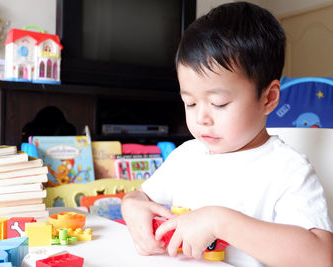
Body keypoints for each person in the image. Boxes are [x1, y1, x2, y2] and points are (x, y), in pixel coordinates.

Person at [121, 2, 333, 267]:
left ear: (269, 98)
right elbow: (141, 196)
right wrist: (131, 206)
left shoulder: (288, 170)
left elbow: (321, 257)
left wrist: (220, 222)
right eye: (190, 103)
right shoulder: (186, 157)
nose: (201, 118)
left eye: (219, 103)